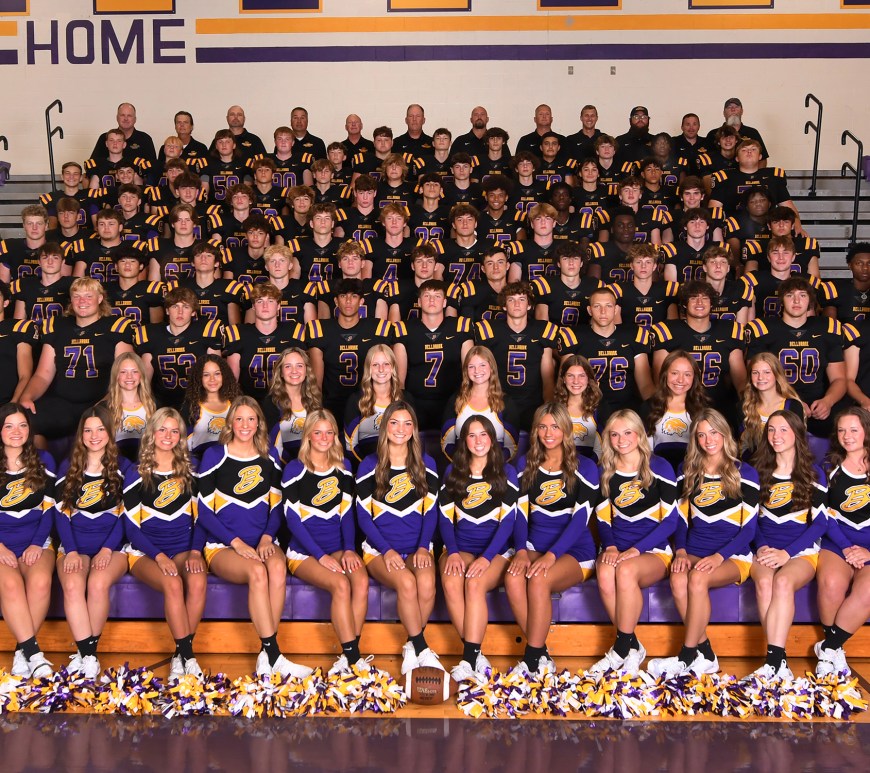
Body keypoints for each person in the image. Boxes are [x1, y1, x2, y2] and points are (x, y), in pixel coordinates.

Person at [198, 396, 312, 678]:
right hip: (223, 546)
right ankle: (274, 654)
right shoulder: (215, 455)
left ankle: (265, 654)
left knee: (277, 568)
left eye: (251, 419)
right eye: (239, 419)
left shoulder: (269, 456)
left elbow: (276, 506)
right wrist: (235, 543)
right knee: (258, 572)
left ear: (259, 422)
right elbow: (204, 512)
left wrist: (267, 538)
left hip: (262, 541)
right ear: (230, 423)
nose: (245, 424)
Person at [646, 409, 759, 679]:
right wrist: (681, 551)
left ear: (725, 434)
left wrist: (720, 557)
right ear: (695, 439)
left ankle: (686, 656)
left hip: (733, 555)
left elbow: (749, 530)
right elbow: (681, 520)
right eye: (701, 435)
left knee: (697, 578)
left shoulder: (746, 473)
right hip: (694, 550)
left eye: (714, 433)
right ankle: (705, 653)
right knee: (677, 578)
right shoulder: (687, 471)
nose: (709, 440)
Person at [504, 403, 599, 674]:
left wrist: (551, 556)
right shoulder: (525, 465)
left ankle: (531, 660)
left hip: (576, 551)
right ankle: (541, 653)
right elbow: (520, 515)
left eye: (555, 427)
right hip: (534, 546)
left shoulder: (586, 467)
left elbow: (580, 520)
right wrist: (521, 550)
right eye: (542, 427)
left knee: (538, 579)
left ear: (566, 430)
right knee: (512, 578)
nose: (548, 433)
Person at [355, 401, 443, 674]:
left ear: (414, 429)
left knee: (426, 584)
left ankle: (410, 647)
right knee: (406, 582)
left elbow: (430, 512)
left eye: (407, 423)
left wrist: (422, 547)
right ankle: (421, 647)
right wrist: (386, 550)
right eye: (394, 423)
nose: (400, 429)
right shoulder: (369, 465)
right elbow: (363, 517)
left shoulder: (426, 464)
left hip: (417, 547)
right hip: (379, 551)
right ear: (385, 427)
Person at [589, 409, 678, 675]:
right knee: (606, 572)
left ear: (639, 434)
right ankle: (631, 646)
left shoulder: (659, 467)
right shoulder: (605, 470)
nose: (621, 440)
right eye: (614, 434)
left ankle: (619, 648)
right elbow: (603, 518)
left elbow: (670, 521)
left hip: (653, 550)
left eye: (627, 432)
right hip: (617, 547)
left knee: (625, 571)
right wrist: (611, 547)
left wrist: (636, 550)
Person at [282, 410, 369, 675]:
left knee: (360, 580)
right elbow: (293, 521)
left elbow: (347, 515)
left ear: (335, 436)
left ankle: (347, 654)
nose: (323, 437)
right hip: (304, 553)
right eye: (317, 432)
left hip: (337, 548)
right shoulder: (294, 469)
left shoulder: (344, 467)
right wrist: (321, 556)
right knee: (340, 584)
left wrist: (349, 550)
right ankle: (354, 659)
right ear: (308, 435)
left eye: (329, 432)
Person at [124, 407, 206, 679]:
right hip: (145, 552)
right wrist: (158, 556)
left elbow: (201, 519)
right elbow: (131, 528)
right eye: (162, 429)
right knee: (173, 583)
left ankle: (179, 655)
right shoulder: (136, 473)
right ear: (152, 433)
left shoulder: (191, 470)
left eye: (174, 431)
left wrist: (195, 552)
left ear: (181, 436)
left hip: (182, 548)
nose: (168, 436)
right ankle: (188, 657)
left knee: (197, 580)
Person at [747, 409, 827, 680]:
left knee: (782, 582)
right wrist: (761, 546)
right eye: (771, 429)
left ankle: (773, 661)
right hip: (765, 548)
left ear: (797, 434)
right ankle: (777, 663)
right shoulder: (757, 472)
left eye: (783, 429)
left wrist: (787, 553)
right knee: (764, 582)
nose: (776, 435)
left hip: (800, 550)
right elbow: (750, 520)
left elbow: (820, 524)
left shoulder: (814, 473)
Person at [54, 405, 130, 678]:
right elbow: (61, 514)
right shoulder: (68, 466)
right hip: (74, 545)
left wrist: (108, 549)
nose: (94, 436)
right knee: (73, 584)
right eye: (88, 430)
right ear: (81, 434)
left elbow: (127, 516)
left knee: (98, 583)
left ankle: (86, 654)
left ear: (110, 432)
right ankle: (88, 656)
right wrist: (72, 551)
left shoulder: (125, 467)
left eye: (100, 429)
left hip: (113, 547)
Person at [441, 415, 518, 681]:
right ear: (464, 441)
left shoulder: (507, 472)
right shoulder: (453, 472)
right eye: (472, 435)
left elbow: (508, 523)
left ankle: (468, 658)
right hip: (461, 547)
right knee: (451, 580)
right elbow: (445, 519)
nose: (478, 441)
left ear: (492, 440)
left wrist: (486, 558)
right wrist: (452, 551)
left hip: (497, 551)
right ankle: (474, 653)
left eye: (483, 434)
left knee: (474, 583)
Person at [20, 278, 135, 443]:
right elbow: (43, 374)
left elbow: (125, 377)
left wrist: (104, 404)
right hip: (63, 403)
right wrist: (27, 396)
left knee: (99, 425)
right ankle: (40, 459)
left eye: (88, 296)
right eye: (77, 296)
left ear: (100, 298)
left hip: (101, 400)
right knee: (27, 421)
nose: (82, 301)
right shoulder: (57, 327)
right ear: (71, 300)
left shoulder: (116, 327)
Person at [747, 275, 850, 438]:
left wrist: (827, 401)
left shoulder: (827, 328)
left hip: (818, 405)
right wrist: (792, 402)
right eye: (790, 295)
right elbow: (755, 379)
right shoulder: (763, 329)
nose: (796, 301)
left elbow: (839, 379)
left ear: (810, 300)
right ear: (781, 300)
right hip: (777, 402)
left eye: (802, 295)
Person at [0, 403, 56, 678]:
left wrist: (36, 543)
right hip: (1, 544)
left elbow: (49, 510)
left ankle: (22, 654)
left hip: (37, 539)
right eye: (9, 426)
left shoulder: (44, 460)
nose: (16, 431)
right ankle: (34, 654)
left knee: (40, 581)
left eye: (22, 425)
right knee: (11, 584)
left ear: (29, 430)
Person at [815, 408, 870, 677]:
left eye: (854, 430)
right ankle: (834, 654)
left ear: (866, 431)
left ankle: (828, 648)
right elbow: (823, 515)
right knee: (831, 583)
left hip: (869, 546)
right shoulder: (827, 467)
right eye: (841, 430)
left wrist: (867, 552)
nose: (847, 436)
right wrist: (847, 547)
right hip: (837, 541)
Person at [558, 286, 654, 425]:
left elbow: (645, 384)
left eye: (608, 306)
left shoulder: (634, 335)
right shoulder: (573, 336)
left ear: (615, 309)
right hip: (587, 409)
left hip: (625, 408)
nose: (603, 311)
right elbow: (563, 382)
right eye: (597, 306)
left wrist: (656, 410)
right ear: (589, 310)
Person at [306, 278, 394, 428]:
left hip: (367, 402)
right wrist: (318, 410)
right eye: (343, 296)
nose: (348, 301)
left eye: (354, 296)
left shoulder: (378, 329)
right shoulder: (320, 330)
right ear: (336, 301)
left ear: (361, 301)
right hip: (332, 403)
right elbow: (317, 383)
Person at [476, 281, 559, 431]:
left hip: (532, 403)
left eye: (522, 299)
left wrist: (548, 407)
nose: (516, 304)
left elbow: (547, 377)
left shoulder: (542, 330)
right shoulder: (490, 330)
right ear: (504, 305)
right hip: (499, 400)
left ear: (529, 305)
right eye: (511, 299)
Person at [393, 280, 474, 430]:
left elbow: (469, 375)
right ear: (419, 302)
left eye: (437, 296)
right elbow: (400, 382)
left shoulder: (460, 327)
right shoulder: (404, 329)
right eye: (427, 296)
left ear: (445, 302)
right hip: (416, 401)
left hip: (452, 401)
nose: (431, 300)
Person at [135, 286, 224, 410]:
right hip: (163, 404)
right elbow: (145, 381)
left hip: (199, 403)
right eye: (175, 306)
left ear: (193, 312)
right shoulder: (152, 335)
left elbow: (218, 376)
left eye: (186, 307)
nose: (180, 312)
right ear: (167, 310)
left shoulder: (206, 332)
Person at [224, 282, 305, 403]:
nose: (265, 306)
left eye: (270, 301)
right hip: (250, 402)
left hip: (285, 402)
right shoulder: (239, 333)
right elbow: (232, 382)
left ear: (278, 306)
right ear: (253, 306)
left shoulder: (294, 332)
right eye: (260, 301)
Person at [441, 346, 519, 462]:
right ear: (466, 370)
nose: (477, 371)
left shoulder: (505, 402)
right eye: (471, 367)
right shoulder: (456, 400)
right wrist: (465, 464)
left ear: (491, 367)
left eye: (482, 365)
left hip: (496, 467)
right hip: (462, 467)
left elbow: (511, 446)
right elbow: (446, 443)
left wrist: (490, 465)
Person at [643, 351, 710, 472]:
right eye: (674, 373)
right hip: (658, 472)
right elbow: (645, 451)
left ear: (694, 377)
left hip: (692, 471)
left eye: (687, 374)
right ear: (665, 374)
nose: (680, 380)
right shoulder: (649, 407)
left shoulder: (703, 408)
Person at [344, 345, 405, 465]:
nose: (381, 369)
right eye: (375, 365)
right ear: (368, 368)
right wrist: (367, 467)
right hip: (365, 466)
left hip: (401, 466)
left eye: (386, 364)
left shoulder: (405, 399)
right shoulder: (356, 400)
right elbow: (350, 446)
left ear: (393, 367)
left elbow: (413, 440)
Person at [261, 347, 323, 466]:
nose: (294, 371)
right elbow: (271, 446)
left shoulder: (315, 399)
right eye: (288, 366)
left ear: (306, 370)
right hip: (281, 466)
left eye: (299, 366)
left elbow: (321, 438)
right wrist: (295, 466)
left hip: (312, 464)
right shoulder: (271, 403)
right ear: (281, 372)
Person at [739, 352, 805, 459]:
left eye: (767, 372)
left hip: (786, 463)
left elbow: (798, 444)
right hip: (754, 464)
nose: (761, 377)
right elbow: (742, 448)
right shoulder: (744, 407)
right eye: (755, 373)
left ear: (777, 374)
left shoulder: (793, 405)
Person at [183, 354, 242, 462]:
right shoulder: (192, 406)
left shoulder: (236, 403)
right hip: (200, 463)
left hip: (232, 461)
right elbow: (183, 443)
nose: (212, 379)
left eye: (217, 374)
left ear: (224, 375)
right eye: (206, 375)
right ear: (199, 378)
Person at [102, 351, 156, 462]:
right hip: (115, 465)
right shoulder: (104, 409)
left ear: (141, 375)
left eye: (134, 371)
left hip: (147, 465)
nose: (129, 376)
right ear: (116, 376)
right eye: (123, 372)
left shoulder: (154, 406)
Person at [610, 243, 679, 328]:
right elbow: (617, 329)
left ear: (654, 266)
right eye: (639, 262)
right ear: (632, 265)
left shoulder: (667, 290)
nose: (643, 266)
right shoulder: (619, 290)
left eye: (648, 262)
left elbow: (672, 327)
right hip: (628, 336)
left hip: (659, 336)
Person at [554, 355, 603, 462]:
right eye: (570, 376)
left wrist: (586, 467)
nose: (576, 381)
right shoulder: (554, 409)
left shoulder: (599, 408)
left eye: (581, 376)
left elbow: (601, 449)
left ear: (588, 379)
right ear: (563, 379)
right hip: (560, 464)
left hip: (591, 465)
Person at [0, 279, 37, 405]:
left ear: (5, 302)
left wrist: (13, 404)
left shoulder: (19, 328)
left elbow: (25, 375)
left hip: (6, 403)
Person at [704, 97, 769, 164]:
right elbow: (705, 160)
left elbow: (763, 159)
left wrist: (757, 171)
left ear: (742, 111)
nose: (733, 109)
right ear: (724, 113)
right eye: (729, 107)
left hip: (746, 171)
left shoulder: (752, 133)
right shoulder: (713, 134)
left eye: (736, 107)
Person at [89, 102, 156, 166]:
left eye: (129, 116)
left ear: (135, 119)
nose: (126, 119)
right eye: (122, 115)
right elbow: (93, 165)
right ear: (117, 118)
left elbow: (153, 167)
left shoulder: (145, 139)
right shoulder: (104, 138)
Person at [0, 204, 50, 284]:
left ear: (46, 226)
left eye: (39, 223)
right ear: (24, 226)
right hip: (17, 292)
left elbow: (61, 285)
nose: (34, 228)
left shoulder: (55, 249)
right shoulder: (10, 246)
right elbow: (3, 284)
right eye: (30, 223)